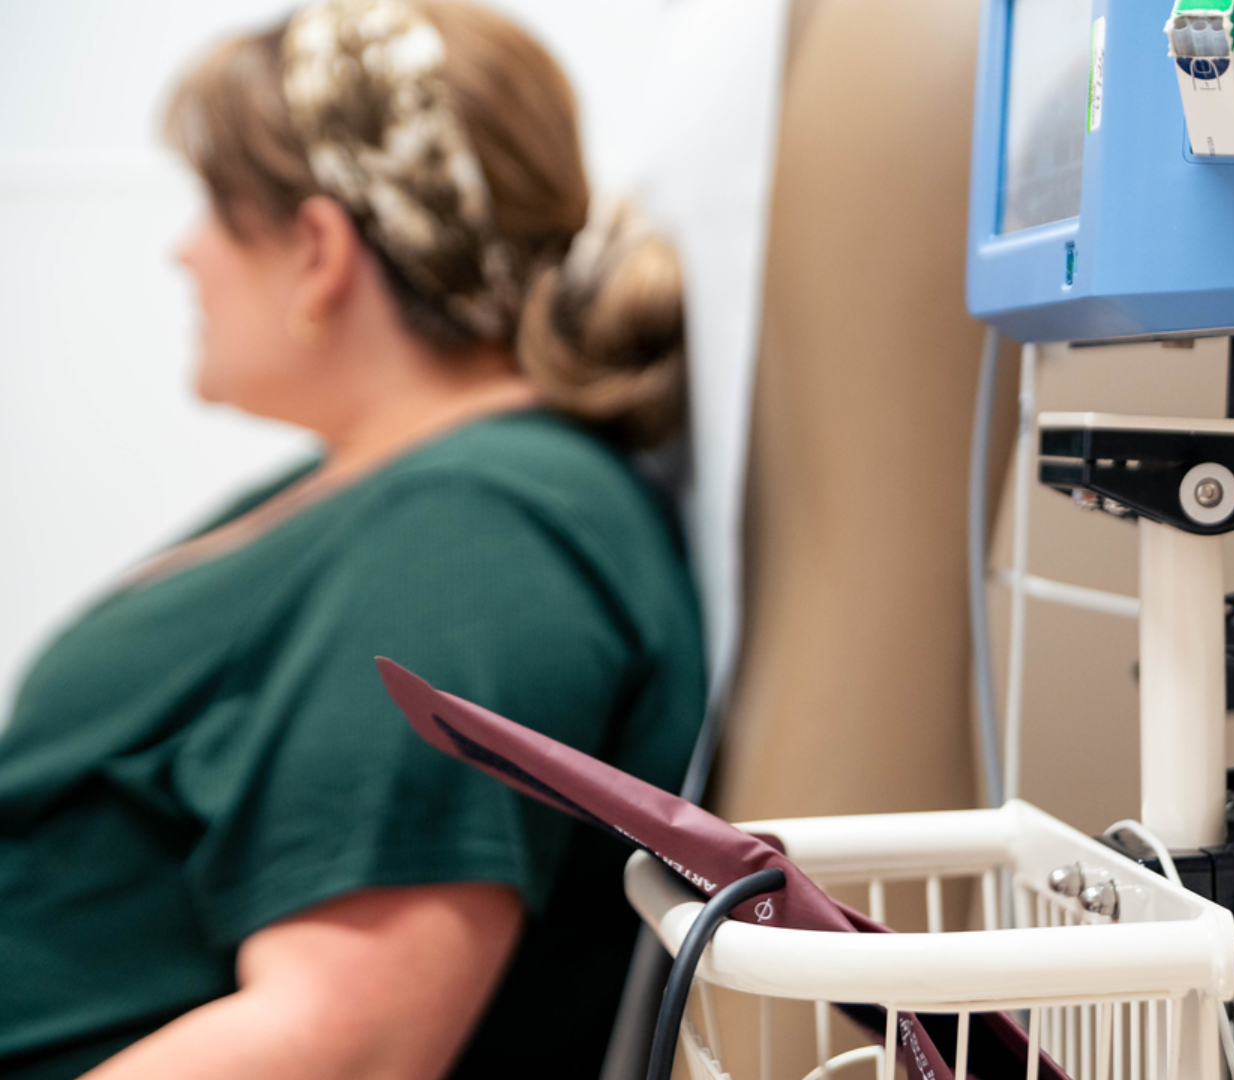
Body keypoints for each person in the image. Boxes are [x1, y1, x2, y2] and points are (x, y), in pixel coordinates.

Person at [0, 2, 706, 1077]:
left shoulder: (478, 534)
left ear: (321, 249)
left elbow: (343, 1043)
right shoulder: (399, 483)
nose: (182, 252)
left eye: (212, 208)